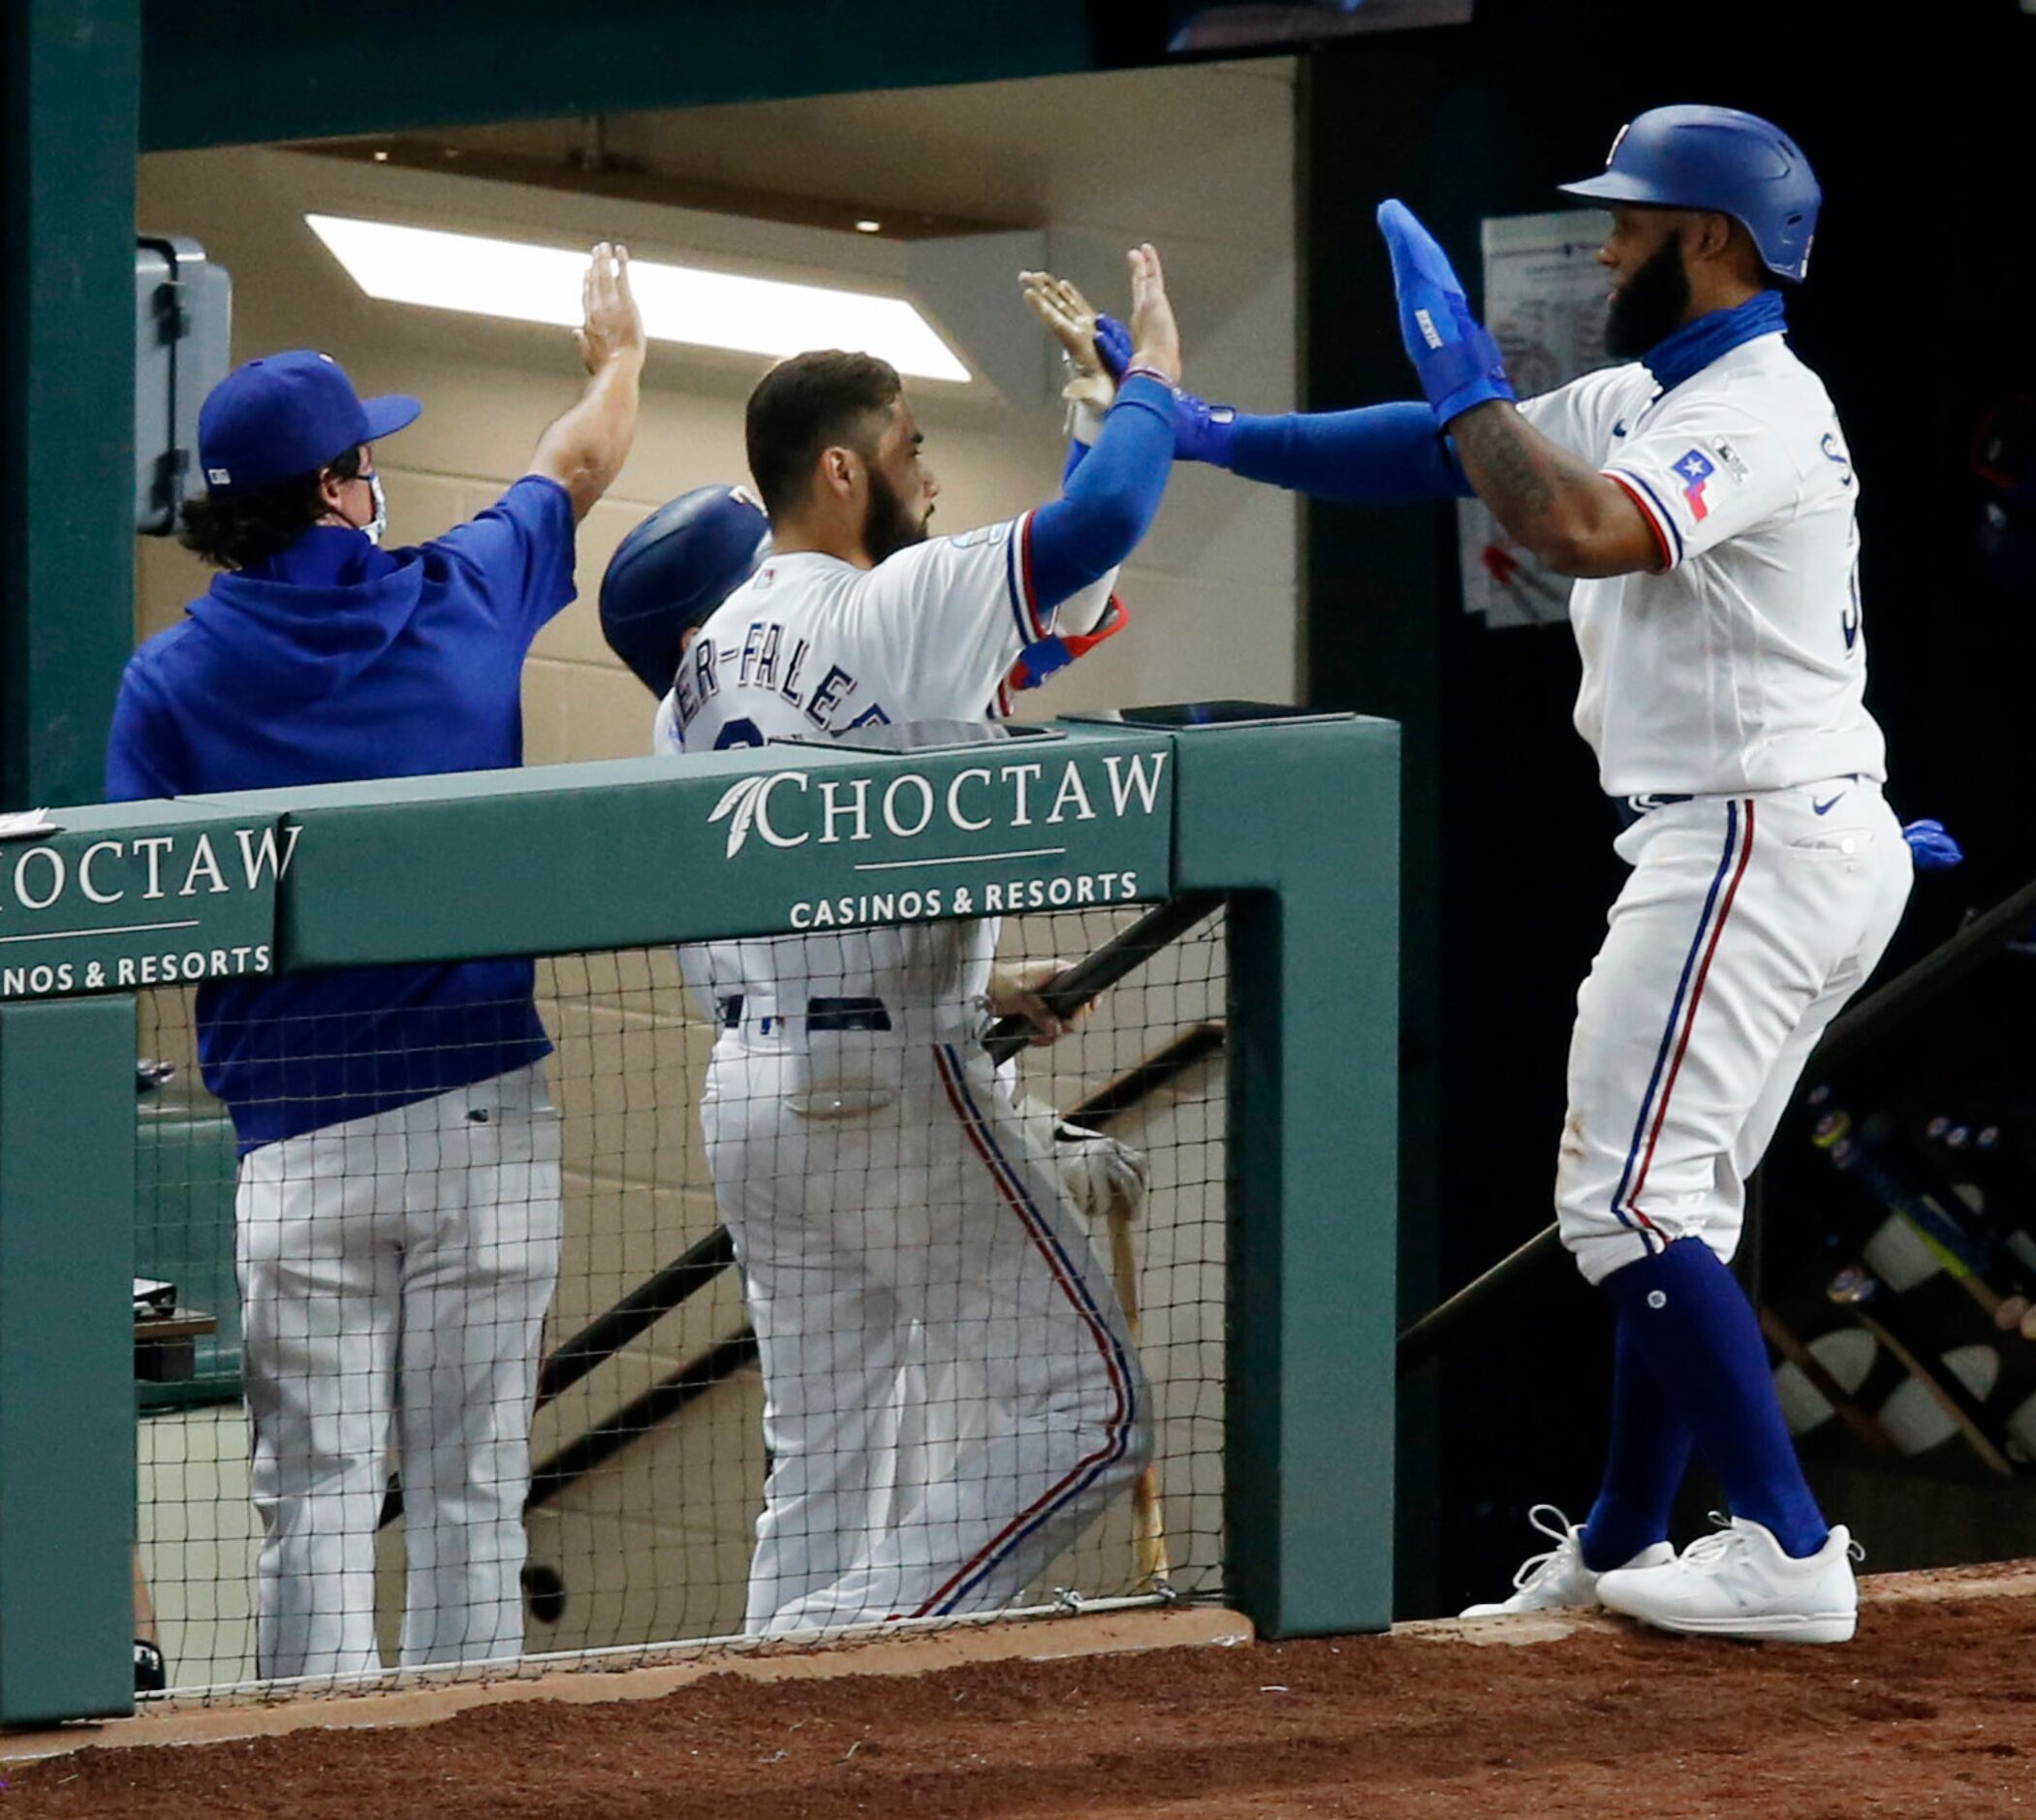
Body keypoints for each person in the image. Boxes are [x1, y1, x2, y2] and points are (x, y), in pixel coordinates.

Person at [1117, 106, 1910, 1643]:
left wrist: (1468, 374)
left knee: (1620, 1202)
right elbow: (1455, 462)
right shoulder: (1666, 381)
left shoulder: (1747, 403)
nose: (1604, 241)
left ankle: (1786, 1548)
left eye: (1631, 219)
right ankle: (1622, 1541)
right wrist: (1207, 431)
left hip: (1748, 834)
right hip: (1783, 829)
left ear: (1714, 241)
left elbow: (1574, 522)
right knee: (1675, 1200)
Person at [105, 244, 645, 1679]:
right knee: (473, 1495)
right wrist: (617, 359)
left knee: (311, 1509)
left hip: (299, 1138)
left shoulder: (167, 680)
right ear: (342, 487)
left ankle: (311, 1770)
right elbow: (576, 464)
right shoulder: (460, 596)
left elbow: (123, 911)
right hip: (481, 1117)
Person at [646, 244, 1181, 1636]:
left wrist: (957, 968)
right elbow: (1103, 517)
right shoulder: (886, 600)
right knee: (1092, 1405)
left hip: (752, 1090)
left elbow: (720, 920)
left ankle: (769, 1709)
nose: (927, 474)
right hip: (887, 1086)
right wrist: (1147, 397)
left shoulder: (701, 660)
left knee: (822, 1472)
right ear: (840, 471)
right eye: (911, 448)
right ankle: (857, 1635)